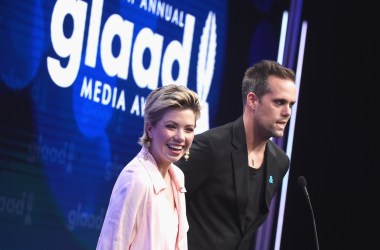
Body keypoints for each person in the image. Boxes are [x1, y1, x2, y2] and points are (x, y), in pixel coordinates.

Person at [175, 59, 297, 250]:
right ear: (252, 100)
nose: (287, 112)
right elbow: (164, 206)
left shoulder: (279, 162)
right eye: (279, 102)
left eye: (291, 104)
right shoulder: (211, 147)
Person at [97, 84, 201, 250]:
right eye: (171, 126)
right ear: (149, 128)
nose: (181, 137)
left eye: (188, 129)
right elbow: (111, 246)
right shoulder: (136, 179)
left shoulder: (178, 178)